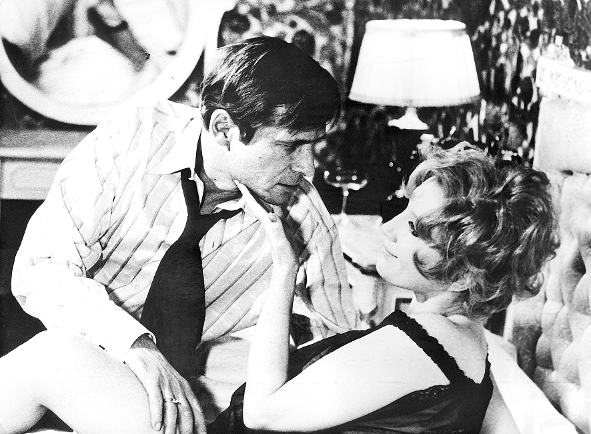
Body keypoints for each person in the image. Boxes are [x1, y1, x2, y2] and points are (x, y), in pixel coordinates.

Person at [0, 143, 558, 433]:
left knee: (54, 356)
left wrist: (283, 267)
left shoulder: (413, 347)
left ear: (465, 272)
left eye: (415, 229)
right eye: (404, 212)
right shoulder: (468, 344)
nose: (389, 230)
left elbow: (261, 412)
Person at [8, 36, 358, 434]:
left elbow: (336, 346)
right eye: (290, 146)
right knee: (52, 354)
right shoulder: (132, 139)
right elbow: (42, 268)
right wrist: (136, 346)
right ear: (224, 128)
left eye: (313, 146)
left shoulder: (303, 216)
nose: (308, 167)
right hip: (74, 369)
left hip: (174, 406)